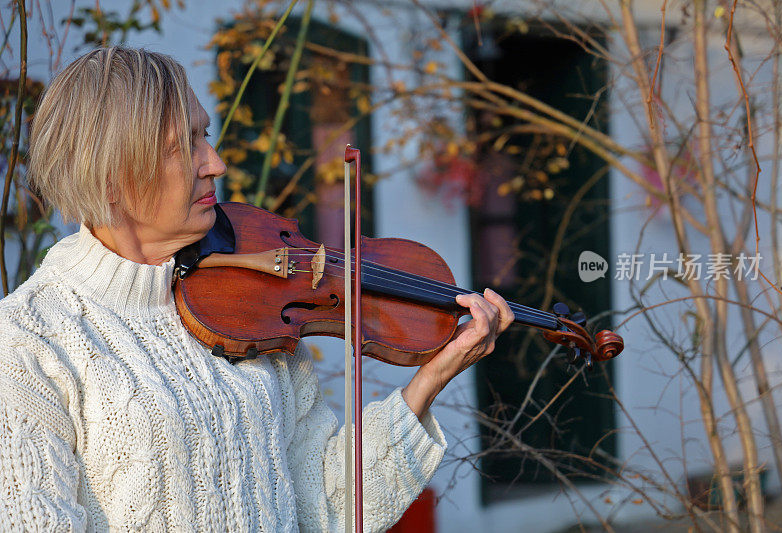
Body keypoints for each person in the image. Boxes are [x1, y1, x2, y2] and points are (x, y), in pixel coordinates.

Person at [0, 47, 513, 532]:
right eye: (185, 145)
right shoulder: (29, 342)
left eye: (207, 135)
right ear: (111, 174)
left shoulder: (251, 305)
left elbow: (327, 506)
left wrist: (429, 379)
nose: (215, 163)